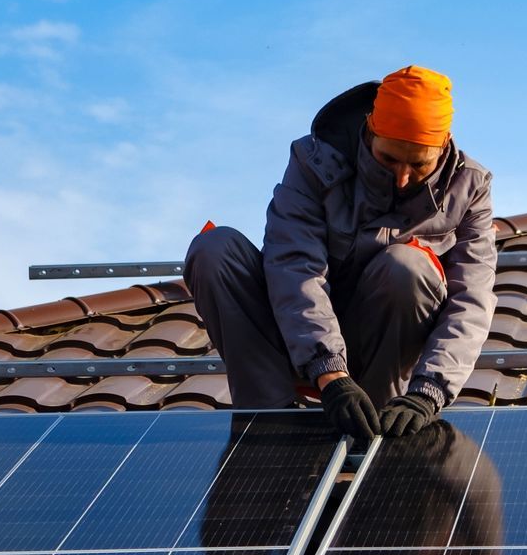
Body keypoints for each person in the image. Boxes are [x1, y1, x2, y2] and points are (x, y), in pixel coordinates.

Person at [183, 65, 496, 439]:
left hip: (383, 354)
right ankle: (267, 424)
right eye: (389, 159)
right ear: (369, 130)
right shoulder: (314, 162)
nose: (402, 177)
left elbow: (472, 300)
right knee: (214, 250)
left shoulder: (469, 188)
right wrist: (330, 372)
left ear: (443, 144)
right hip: (297, 341)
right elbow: (295, 265)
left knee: (407, 266)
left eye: (418, 164)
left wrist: (429, 392)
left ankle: (378, 429)